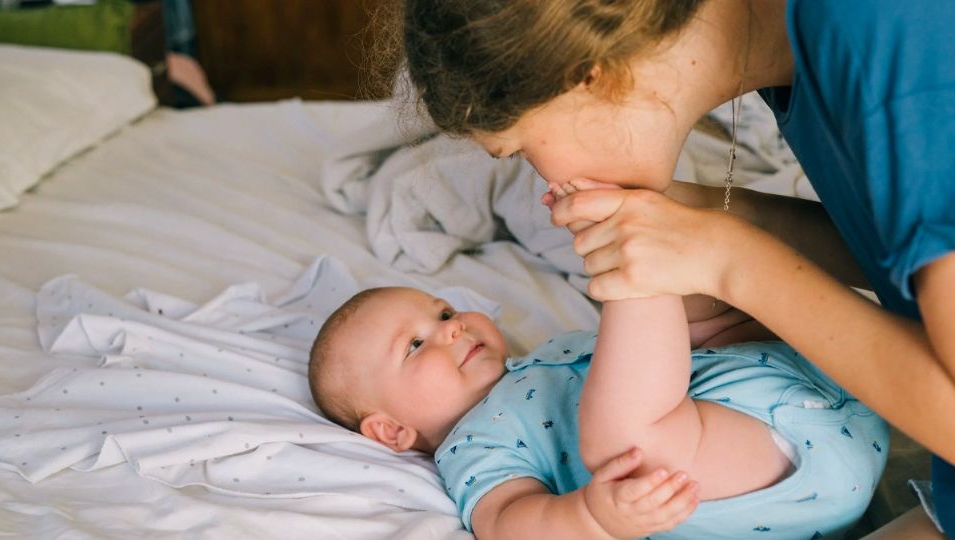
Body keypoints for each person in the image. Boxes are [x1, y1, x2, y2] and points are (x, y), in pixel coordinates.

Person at [396, 0, 955, 536]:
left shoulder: (880, 33)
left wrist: (730, 259)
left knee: (627, 443)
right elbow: (902, 247)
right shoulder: (793, 51)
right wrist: (720, 216)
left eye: (519, 150)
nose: (543, 177)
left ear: (584, 76)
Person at [308, 284, 887, 539]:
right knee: (630, 444)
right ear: (391, 430)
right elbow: (508, 524)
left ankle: (677, 265)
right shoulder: (471, 447)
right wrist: (593, 518)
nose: (452, 326)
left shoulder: (551, 351)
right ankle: (642, 272)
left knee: (689, 317)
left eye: (442, 312)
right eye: (415, 346)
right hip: (772, 474)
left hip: (831, 389)